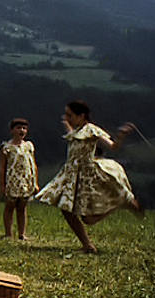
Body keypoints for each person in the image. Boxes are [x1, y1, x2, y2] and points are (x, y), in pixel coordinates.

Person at [35, 100, 143, 253]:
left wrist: (121, 135)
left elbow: (113, 146)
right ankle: (87, 245)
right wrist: (67, 125)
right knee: (66, 208)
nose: (66, 118)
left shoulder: (92, 129)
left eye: (70, 115)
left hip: (87, 176)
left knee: (88, 219)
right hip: (71, 174)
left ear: (81, 116)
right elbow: (73, 135)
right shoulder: (75, 130)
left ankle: (121, 202)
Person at [0, 118, 38, 240]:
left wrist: (35, 182)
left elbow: (33, 164)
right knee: (10, 206)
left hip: (25, 180)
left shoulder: (29, 146)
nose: (22, 130)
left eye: (24, 128)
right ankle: (8, 234)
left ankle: (22, 233)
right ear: (12, 130)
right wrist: (2, 184)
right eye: (18, 128)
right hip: (12, 180)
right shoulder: (7, 148)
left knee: (22, 207)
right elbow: (2, 167)